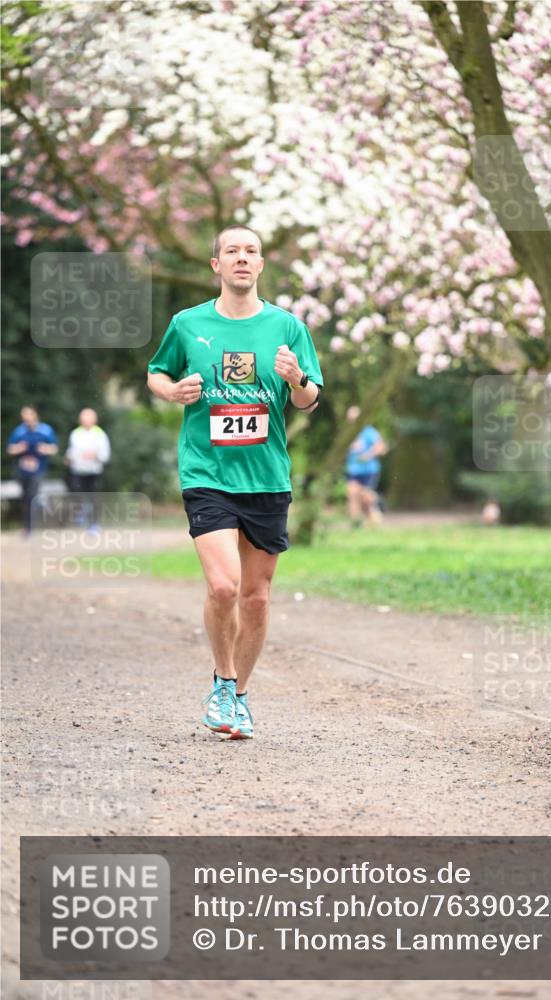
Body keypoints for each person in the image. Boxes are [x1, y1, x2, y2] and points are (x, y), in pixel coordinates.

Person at [147, 225, 323, 740]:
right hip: (208, 473)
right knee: (223, 585)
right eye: (232, 252)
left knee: (257, 598)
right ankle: (222, 681)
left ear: (261, 265)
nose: (241, 259)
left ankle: (239, 696)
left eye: (250, 252)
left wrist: (297, 380)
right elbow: (157, 372)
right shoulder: (187, 324)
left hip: (266, 477)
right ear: (216, 265)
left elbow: (308, 399)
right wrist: (173, 392)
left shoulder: (287, 327)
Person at [5, 405, 58, 535]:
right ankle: (27, 526)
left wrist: (45, 449)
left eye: (28, 414)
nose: (25, 417)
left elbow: (54, 449)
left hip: (38, 470)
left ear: (35, 415)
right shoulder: (19, 431)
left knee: (32, 495)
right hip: (22, 471)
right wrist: (19, 448)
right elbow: (10, 449)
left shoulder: (45, 430)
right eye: (23, 415)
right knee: (25, 498)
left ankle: (32, 526)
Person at [65, 408, 112, 531]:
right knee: (77, 494)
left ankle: (94, 524)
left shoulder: (100, 434)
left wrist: (95, 455)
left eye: (88, 417)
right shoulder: (75, 434)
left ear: (94, 419)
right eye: (83, 417)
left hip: (94, 471)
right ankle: (80, 515)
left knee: (94, 498)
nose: (85, 420)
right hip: (78, 471)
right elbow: (71, 451)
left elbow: (105, 455)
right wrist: (68, 458)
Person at [345, 406, 387, 527]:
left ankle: (375, 515)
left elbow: (381, 447)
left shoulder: (369, 432)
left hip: (369, 470)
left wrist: (367, 455)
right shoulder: (348, 433)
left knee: (366, 497)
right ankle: (355, 523)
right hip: (353, 470)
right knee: (352, 494)